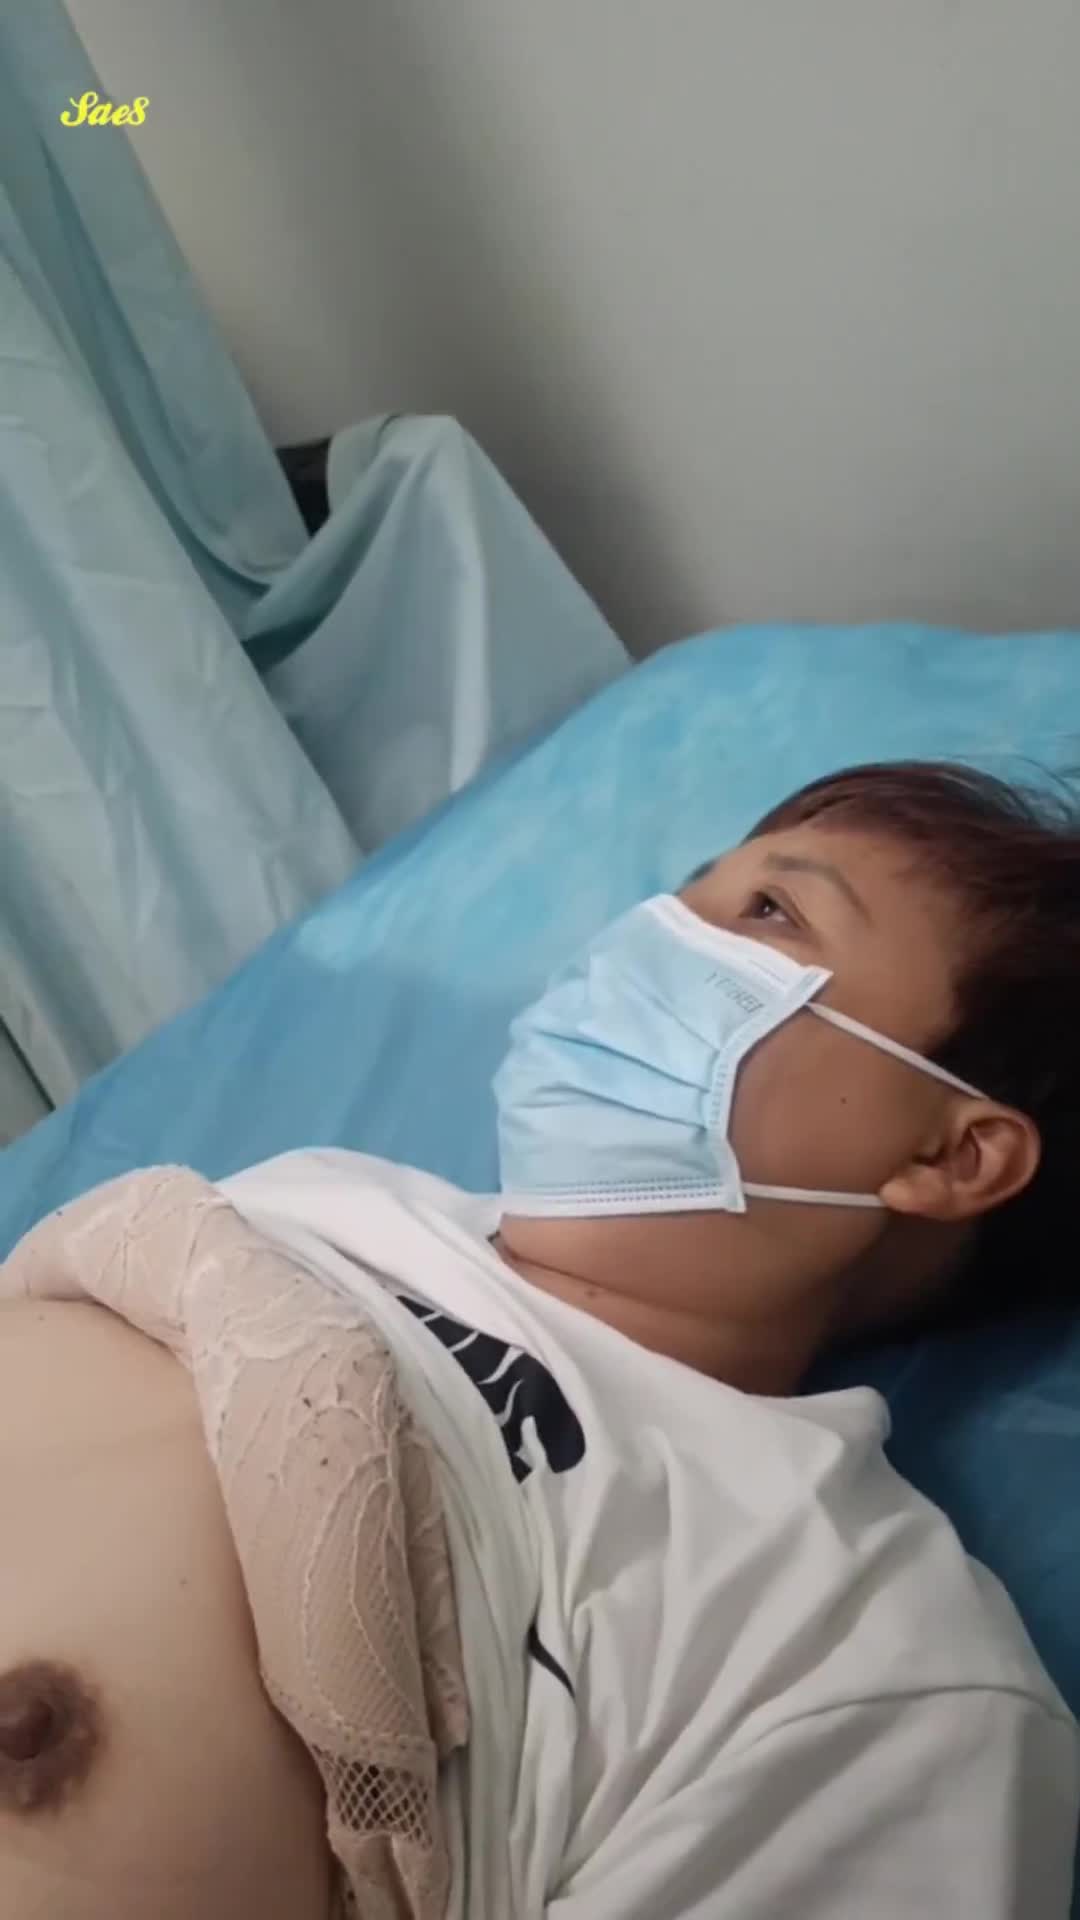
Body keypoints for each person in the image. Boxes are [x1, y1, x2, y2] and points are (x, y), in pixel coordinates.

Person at [3, 760, 1078, 1918]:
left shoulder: (860, 1655)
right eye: (688, 888)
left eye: (771, 912)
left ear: (951, 1156)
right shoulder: (318, 1194)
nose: (654, 931)